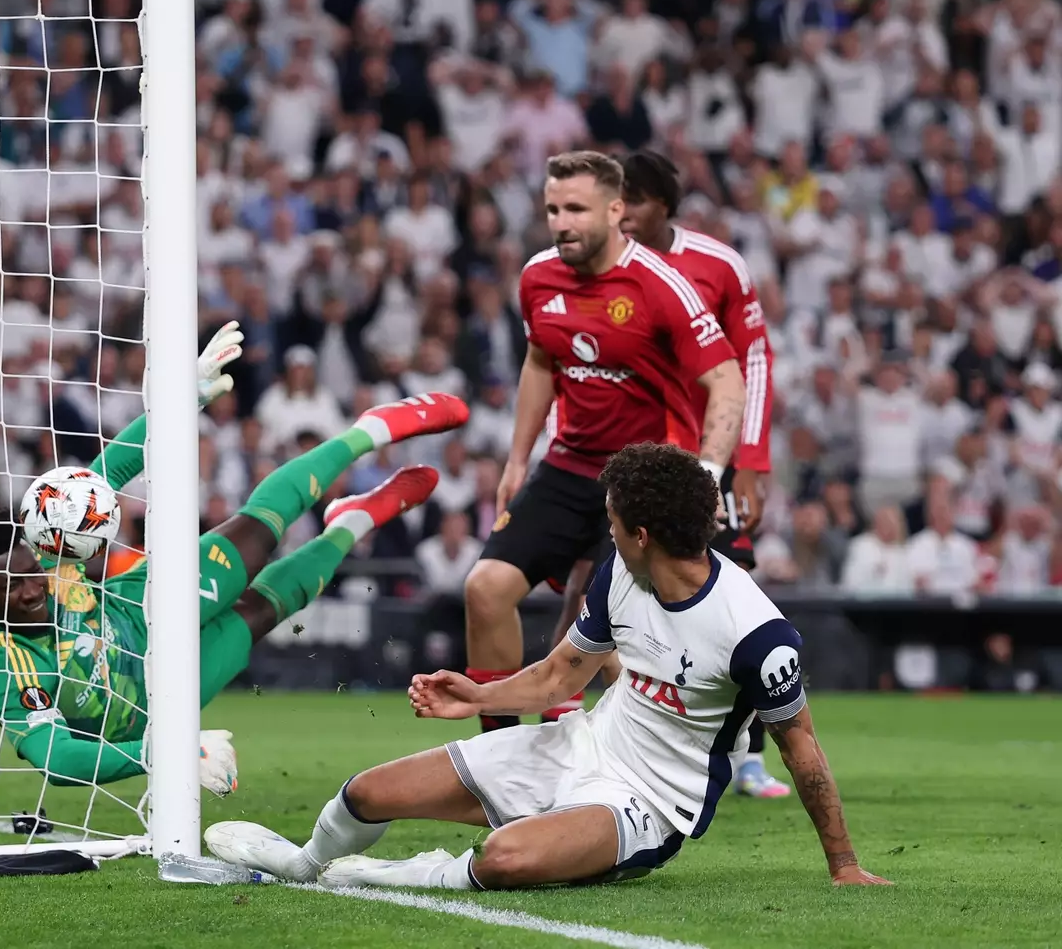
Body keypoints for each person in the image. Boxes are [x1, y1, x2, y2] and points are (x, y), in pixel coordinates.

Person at [205, 443, 891, 891]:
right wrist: (478, 694)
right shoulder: (624, 569)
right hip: (578, 745)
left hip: (647, 805)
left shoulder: (757, 633)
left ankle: (379, 874)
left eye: (613, 519)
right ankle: (304, 864)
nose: (607, 528)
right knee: (366, 792)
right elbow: (563, 673)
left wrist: (844, 864)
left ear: (644, 532)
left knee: (504, 858)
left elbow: (802, 749)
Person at [0, 323, 469, 791]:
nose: (32, 590)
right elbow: (55, 757)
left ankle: (369, 430)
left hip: (136, 605)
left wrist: (180, 400)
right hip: (151, 701)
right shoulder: (0, 660)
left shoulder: (45, 542)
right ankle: (352, 521)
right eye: (11, 588)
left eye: (30, 574)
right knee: (260, 613)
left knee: (256, 538)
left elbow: (100, 480)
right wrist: (159, 754)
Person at [461, 149, 746, 734]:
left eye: (576, 209)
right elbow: (540, 362)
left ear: (616, 210)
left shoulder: (663, 285)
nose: (561, 222)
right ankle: (500, 757)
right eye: (552, 209)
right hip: (566, 467)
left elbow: (727, 381)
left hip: (645, 479)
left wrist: (708, 477)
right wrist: (518, 459)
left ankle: (644, 782)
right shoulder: (537, 278)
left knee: (617, 645)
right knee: (485, 589)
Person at [541, 149, 789, 797]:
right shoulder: (591, 271)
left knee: (725, 590)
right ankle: (593, 717)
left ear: (659, 206)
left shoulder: (716, 265)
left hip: (707, 457)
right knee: (595, 583)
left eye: (638, 201)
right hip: (627, 459)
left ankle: (748, 751)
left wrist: (748, 465)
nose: (627, 213)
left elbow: (752, 361)